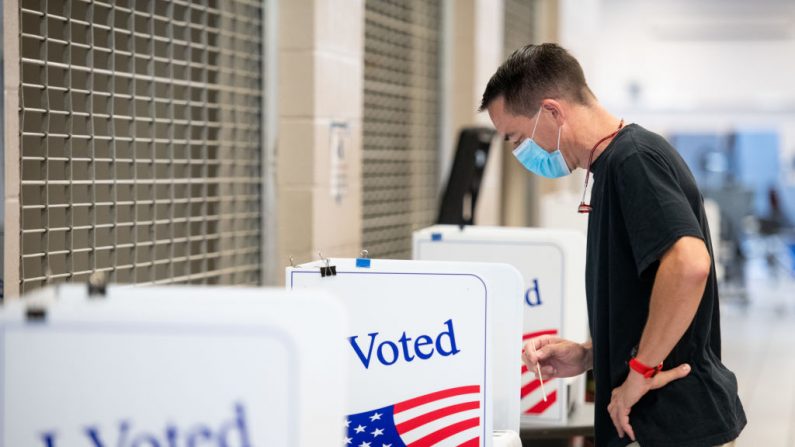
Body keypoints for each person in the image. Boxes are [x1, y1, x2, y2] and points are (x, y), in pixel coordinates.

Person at [479, 43, 746, 447]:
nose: (521, 153)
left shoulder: (632, 160)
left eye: (517, 138)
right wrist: (589, 354)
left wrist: (638, 373)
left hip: (670, 423)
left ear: (552, 112)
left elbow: (690, 264)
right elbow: (643, 295)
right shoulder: (612, 166)